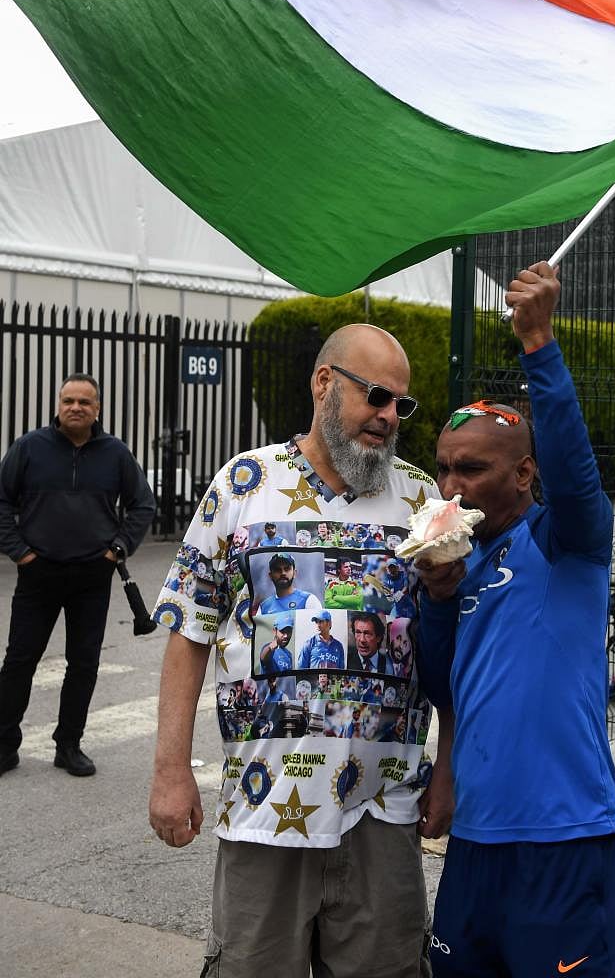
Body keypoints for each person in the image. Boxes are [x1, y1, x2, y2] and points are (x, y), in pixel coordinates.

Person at [148, 323, 454, 978]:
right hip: (266, 809)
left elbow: (449, 647)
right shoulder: (243, 485)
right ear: (324, 383)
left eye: (402, 404)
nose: (388, 416)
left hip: (384, 808)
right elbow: (189, 631)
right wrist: (171, 770)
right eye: (376, 396)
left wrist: (448, 768)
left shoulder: (422, 500)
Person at [416, 262, 615, 978]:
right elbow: (442, 684)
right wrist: (437, 602)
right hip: (476, 841)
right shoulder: (457, 561)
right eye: (443, 467)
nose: (451, 486)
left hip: (563, 837)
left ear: (525, 475)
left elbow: (575, 467)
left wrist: (539, 342)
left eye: (471, 469)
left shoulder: (568, 541)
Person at [0, 373, 155, 778]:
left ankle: (68, 745)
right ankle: (4, 745)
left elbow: (142, 505)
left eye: (84, 402)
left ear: (97, 409)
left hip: (93, 574)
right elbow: (1, 502)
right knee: (19, 660)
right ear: (58, 405)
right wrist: (21, 553)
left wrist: (116, 550)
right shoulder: (29, 448)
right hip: (38, 573)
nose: (75, 408)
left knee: (83, 663)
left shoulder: (115, 453)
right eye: (68, 400)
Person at [257, 552, 322, 614]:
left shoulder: (309, 600)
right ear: (270, 576)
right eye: (277, 570)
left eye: (287, 569)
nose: (283, 573)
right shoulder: (264, 607)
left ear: (294, 573)